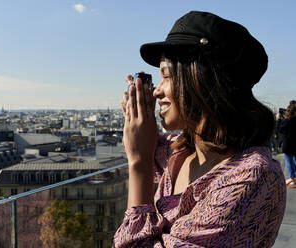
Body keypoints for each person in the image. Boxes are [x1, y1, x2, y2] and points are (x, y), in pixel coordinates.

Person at [113, 11, 286, 247]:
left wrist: (139, 164)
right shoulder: (184, 152)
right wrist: (137, 111)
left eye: (166, 76)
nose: (157, 90)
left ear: (203, 80)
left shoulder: (251, 178)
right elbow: (149, 144)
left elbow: (145, 154)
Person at [279, 103, 296, 188]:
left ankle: (292, 178)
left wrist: (281, 119)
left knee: (289, 161)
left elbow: (281, 129)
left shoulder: (288, 120)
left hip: (288, 143)